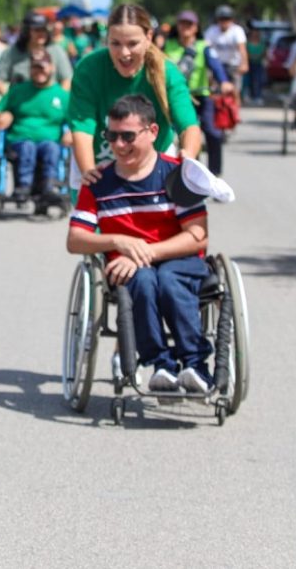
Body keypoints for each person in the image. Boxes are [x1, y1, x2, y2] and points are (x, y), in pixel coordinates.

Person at [66, 94, 213, 394]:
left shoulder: (178, 175)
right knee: (144, 280)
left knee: (169, 280)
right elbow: (75, 239)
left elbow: (198, 236)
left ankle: (195, 365)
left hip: (178, 259)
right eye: (112, 136)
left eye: (128, 136)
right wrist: (119, 241)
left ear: (153, 132)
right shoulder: (97, 182)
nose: (119, 145)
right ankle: (162, 365)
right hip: (127, 267)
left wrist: (144, 252)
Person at [66, 3, 202, 194]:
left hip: (153, 166)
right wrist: (88, 170)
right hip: (98, 162)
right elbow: (82, 127)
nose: (124, 53)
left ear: (149, 38)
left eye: (132, 44)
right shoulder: (89, 68)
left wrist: (188, 157)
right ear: (107, 40)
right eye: (115, 43)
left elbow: (188, 125)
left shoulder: (168, 72)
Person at [0, 49, 70, 202]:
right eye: (35, 67)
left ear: (52, 68)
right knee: (28, 147)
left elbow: (74, 120)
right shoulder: (18, 91)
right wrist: (4, 115)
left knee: (51, 148)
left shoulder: (62, 95)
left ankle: (50, 186)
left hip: (49, 140)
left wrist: (70, 132)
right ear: (30, 69)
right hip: (20, 139)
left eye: (42, 67)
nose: (39, 71)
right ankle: (24, 186)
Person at [167, 10, 233, 175]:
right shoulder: (168, 46)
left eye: (190, 24)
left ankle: (214, 174)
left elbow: (216, 66)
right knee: (166, 135)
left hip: (200, 98)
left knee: (213, 133)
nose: (185, 27)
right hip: (175, 99)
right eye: (182, 23)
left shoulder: (203, 46)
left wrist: (224, 81)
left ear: (196, 27)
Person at [0, 12, 74, 94]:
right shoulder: (11, 52)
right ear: (26, 31)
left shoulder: (57, 51)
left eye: (44, 29)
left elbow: (67, 79)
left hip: (48, 102)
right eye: (37, 30)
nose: (42, 33)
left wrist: (57, 100)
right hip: (20, 103)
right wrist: (11, 100)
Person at [203, 5, 248, 99]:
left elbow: (242, 49)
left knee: (235, 92)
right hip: (217, 65)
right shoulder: (212, 31)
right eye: (222, 19)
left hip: (233, 65)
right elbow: (205, 47)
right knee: (213, 90)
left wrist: (244, 63)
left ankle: (235, 111)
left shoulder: (237, 31)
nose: (224, 22)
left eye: (227, 19)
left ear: (232, 20)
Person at [244, 28, 266, 105]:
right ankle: (248, 95)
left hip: (258, 64)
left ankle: (257, 96)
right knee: (248, 80)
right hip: (249, 63)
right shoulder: (247, 43)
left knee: (258, 80)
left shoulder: (261, 43)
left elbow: (264, 53)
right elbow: (246, 52)